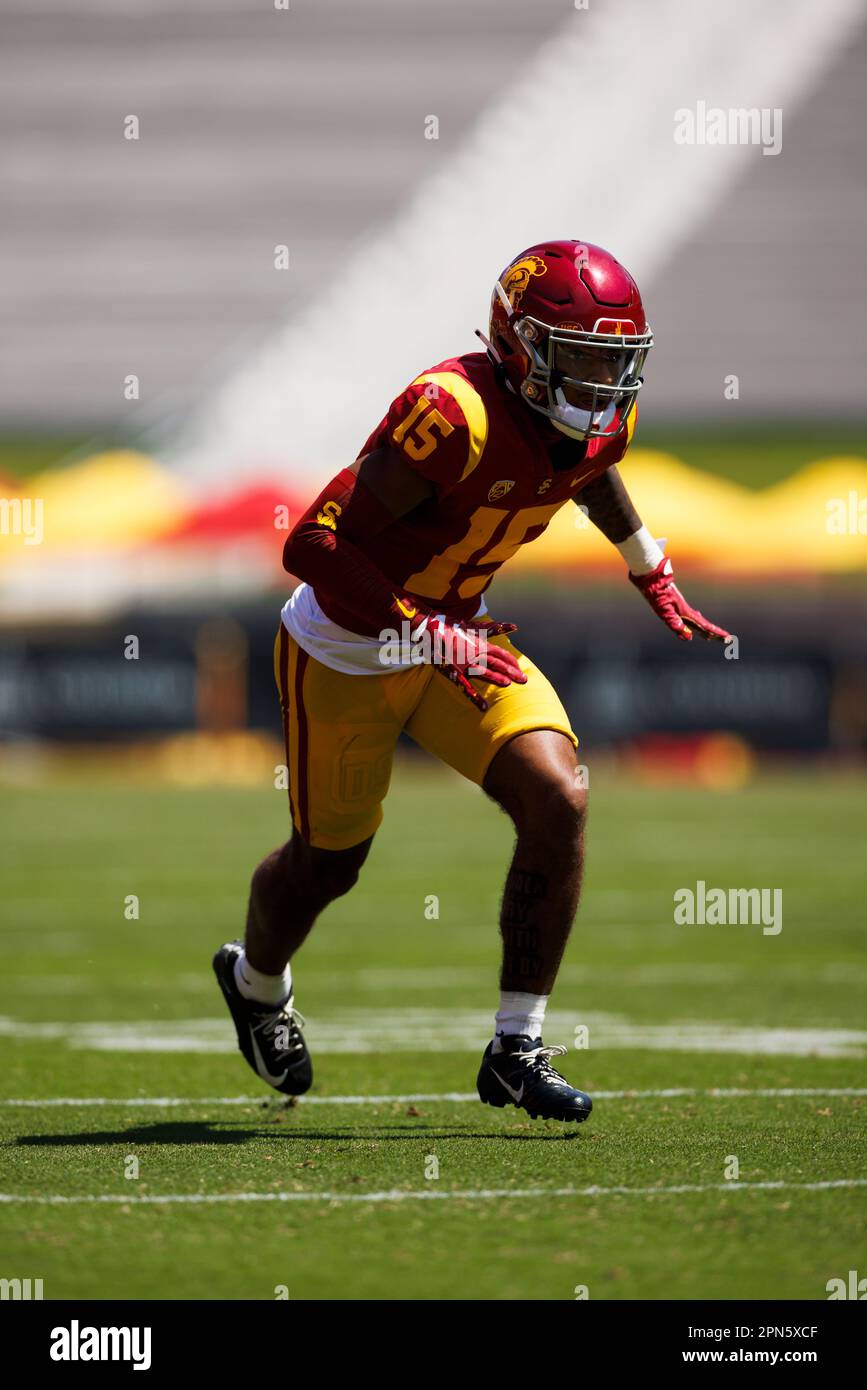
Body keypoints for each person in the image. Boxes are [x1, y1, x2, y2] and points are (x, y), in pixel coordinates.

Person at [214, 239, 731, 1122]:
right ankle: (257, 985)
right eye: (581, 358)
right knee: (327, 866)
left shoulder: (594, 418)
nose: (602, 381)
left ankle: (516, 1046)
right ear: (521, 345)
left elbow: (588, 468)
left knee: (558, 798)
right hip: (349, 648)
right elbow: (311, 545)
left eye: (615, 360)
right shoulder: (450, 413)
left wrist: (648, 563)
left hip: (461, 638)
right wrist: (423, 631)